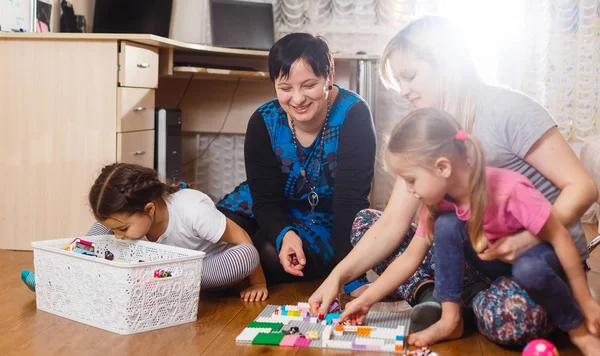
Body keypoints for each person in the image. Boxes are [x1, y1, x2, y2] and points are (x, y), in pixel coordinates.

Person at [309, 16, 598, 346]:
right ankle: (451, 303)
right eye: (399, 82)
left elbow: (583, 188)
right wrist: (337, 278)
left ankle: (468, 303)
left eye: (411, 77)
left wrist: (527, 240)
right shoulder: (424, 134)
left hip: (539, 258)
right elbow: (392, 225)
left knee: (509, 316)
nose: (403, 91)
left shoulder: (508, 109)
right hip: (482, 255)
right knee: (367, 223)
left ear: (447, 65)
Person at [339, 108, 600, 355]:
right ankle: (451, 318)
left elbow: (560, 237)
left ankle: (576, 329)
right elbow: (410, 257)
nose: (408, 189)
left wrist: (586, 301)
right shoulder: (437, 203)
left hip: (535, 269)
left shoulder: (508, 189)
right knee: (446, 225)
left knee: (527, 272)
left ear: (442, 167)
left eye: (411, 179)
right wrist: (367, 300)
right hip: (488, 272)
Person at [216, 33, 376, 295]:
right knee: (215, 236)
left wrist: (350, 276)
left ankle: (250, 266)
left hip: (323, 220)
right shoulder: (263, 120)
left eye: (309, 85)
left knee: (267, 257)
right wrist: (284, 234)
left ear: (329, 77)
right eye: (286, 88)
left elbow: (351, 202)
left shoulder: (353, 114)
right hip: (266, 207)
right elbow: (265, 199)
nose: (298, 99)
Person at [85, 163, 268, 302]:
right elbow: (113, 226)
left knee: (247, 255)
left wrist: (258, 283)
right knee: (103, 228)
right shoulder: (135, 219)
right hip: (164, 273)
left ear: (149, 209)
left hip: (209, 270)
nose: (117, 235)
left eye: (123, 229)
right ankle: (81, 259)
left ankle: (164, 282)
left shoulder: (193, 210)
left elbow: (242, 239)